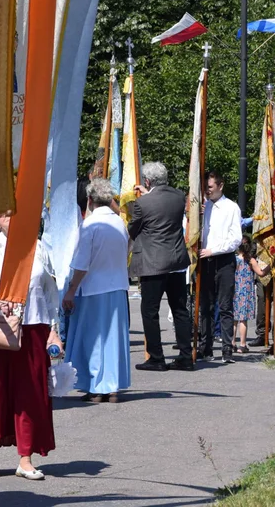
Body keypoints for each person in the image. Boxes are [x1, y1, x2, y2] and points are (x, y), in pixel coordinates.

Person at [0, 213, 57, 482]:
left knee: (29, 394)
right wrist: (0, 300)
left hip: (32, 326)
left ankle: (25, 458)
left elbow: (50, 293)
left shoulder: (38, 246)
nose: (12, 218)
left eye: (17, 212)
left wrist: (55, 331)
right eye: (6, 213)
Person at [63, 178, 132, 402]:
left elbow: (82, 263)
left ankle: (96, 385)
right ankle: (111, 386)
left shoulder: (90, 225)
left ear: (90, 200)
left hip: (94, 288)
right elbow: (127, 248)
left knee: (93, 338)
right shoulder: (120, 223)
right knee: (112, 339)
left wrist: (71, 289)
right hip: (117, 286)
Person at [129, 161, 194, 371]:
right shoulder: (178, 197)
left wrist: (144, 196)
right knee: (180, 310)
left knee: (149, 311)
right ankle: (186, 356)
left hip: (153, 264)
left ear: (147, 181)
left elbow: (133, 228)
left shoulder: (142, 204)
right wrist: (148, 193)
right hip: (176, 262)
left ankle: (157, 357)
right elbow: (161, 209)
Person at [199, 170, 243, 363]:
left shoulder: (231, 207)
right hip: (205, 262)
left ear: (220, 185)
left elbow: (236, 239)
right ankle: (205, 348)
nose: (207, 191)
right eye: (205, 188)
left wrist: (213, 250)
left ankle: (227, 349)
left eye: (210, 187)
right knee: (205, 307)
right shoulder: (204, 207)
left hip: (224, 261)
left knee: (224, 306)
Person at [233, 236, 269, 353]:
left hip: (235, 291)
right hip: (246, 292)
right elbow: (261, 273)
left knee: (234, 319)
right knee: (243, 320)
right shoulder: (251, 260)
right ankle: (242, 345)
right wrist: (270, 266)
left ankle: (231, 343)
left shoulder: (234, 259)